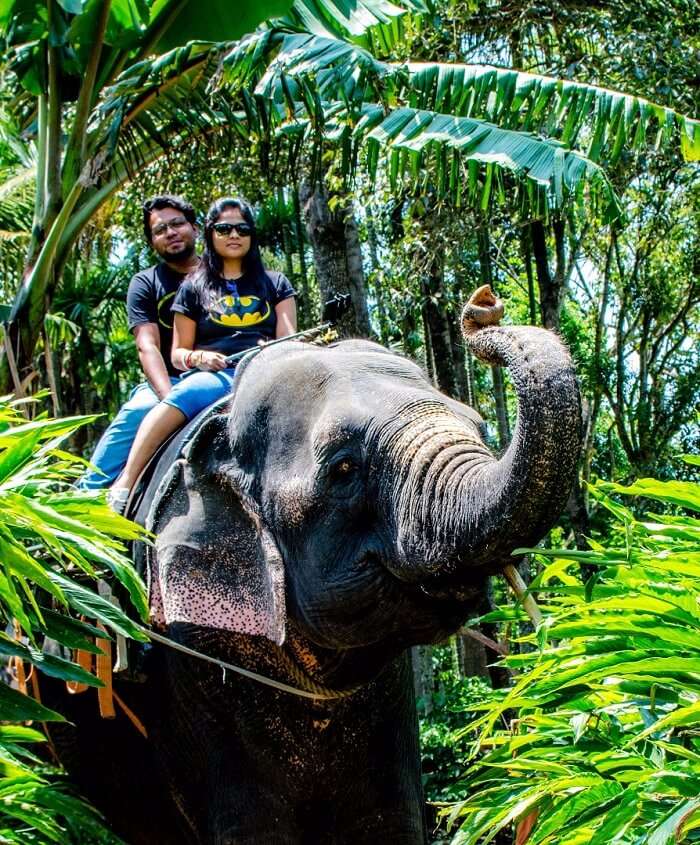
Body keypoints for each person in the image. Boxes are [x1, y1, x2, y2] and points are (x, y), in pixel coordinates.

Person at [108, 197, 297, 512]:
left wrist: (276, 351)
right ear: (210, 234)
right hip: (217, 376)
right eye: (224, 228)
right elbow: (177, 353)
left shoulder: (275, 283)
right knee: (183, 396)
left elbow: (289, 338)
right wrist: (200, 359)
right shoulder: (193, 287)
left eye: (242, 228)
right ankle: (124, 484)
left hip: (267, 371)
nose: (234, 235)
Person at [78, 195, 200, 490]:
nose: (170, 233)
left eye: (176, 224)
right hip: (168, 382)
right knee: (134, 414)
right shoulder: (146, 283)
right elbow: (148, 346)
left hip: (222, 373)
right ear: (152, 242)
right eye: (160, 230)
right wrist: (171, 398)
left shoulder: (222, 274)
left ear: (194, 228)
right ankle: (87, 499)